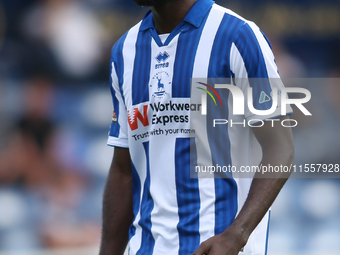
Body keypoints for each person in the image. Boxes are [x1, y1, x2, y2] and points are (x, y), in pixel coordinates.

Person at [99, 0, 294, 255]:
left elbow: (281, 147)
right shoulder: (124, 51)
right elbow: (123, 170)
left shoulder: (239, 36)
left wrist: (237, 235)